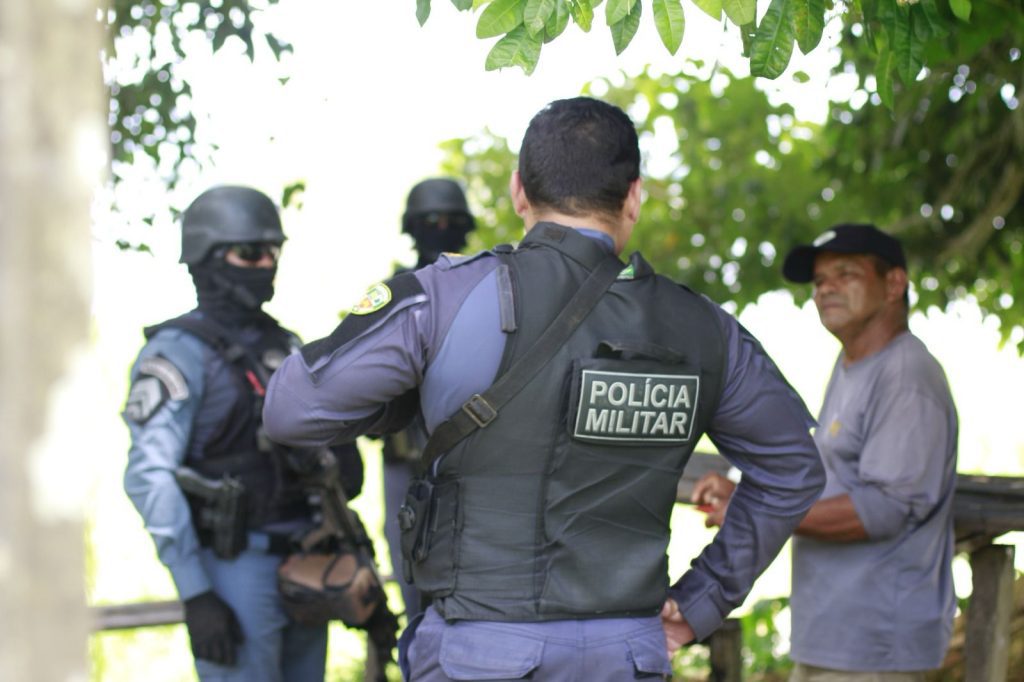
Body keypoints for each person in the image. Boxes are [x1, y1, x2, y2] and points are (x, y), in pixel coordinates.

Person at [261, 97, 825, 681]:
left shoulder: (446, 298)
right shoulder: (705, 328)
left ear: (518, 193)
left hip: (480, 653)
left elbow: (289, 411)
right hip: (628, 654)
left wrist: (408, 399)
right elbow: (793, 469)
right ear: (634, 195)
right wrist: (702, 601)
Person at [121, 185, 367, 682]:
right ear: (208, 259)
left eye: (273, 252)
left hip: (306, 562)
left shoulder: (287, 344)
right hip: (234, 568)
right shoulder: (177, 353)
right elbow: (149, 475)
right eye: (251, 253)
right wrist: (196, 593)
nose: (266, 265)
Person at [693, 223, 959, 681]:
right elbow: (831, 473)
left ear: (894, 284)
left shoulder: (906, 374)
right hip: (836, 640)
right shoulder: (854, 363)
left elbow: (885, 508)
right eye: (819, 281)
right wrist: (742, 487)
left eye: (846, 274)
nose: (826, 289)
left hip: (874, 647)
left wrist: (756, 510)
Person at [379, 177, 477, 620]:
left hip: (471, 461)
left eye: (451, 222)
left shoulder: (487, 288)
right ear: (412, 228)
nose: (442, 229)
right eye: (431, 222)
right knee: (412, 583)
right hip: (406, 464)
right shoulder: (392, 294)